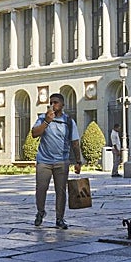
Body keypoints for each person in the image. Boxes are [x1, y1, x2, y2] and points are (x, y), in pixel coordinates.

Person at [31, 93, 81, 229]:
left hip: (62, 161)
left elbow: (75, 142)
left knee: (61, 191)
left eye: (56, 102)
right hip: (44, 161)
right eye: (51, 102)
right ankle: (40, 212)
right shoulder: (43, 118)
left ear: (63, 105)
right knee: (41, 189)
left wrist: (78, 161)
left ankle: (60, 218)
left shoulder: (69, 121)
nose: (53, 105)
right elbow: (34, 133)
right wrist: (47, 121)